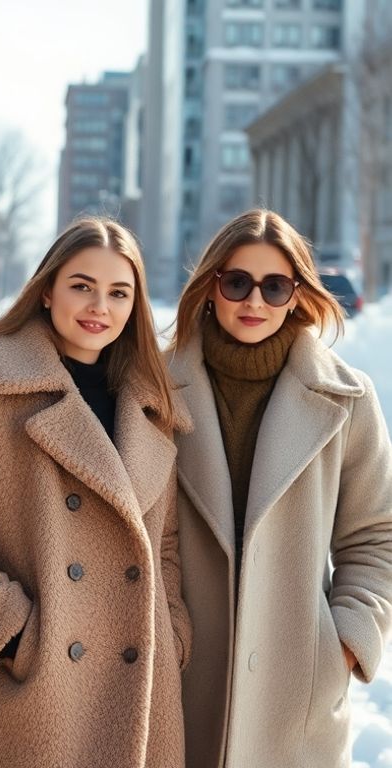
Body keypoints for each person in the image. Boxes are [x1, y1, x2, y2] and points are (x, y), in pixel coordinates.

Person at [0, 218, 191, 768]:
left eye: (118, 292)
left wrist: (169, 634)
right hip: (17, 694)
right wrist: (11, 631)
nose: (99, 305)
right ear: (48, 289)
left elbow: (163, 545)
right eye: (82, 285)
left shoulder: (153, 410)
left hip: (132, 690)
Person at [169, 210, 392, 768]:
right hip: (179, 680)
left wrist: (343, 643)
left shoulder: (348, 398)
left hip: (297, 696)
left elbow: (376, 536)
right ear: (212, 286)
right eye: (237, 281)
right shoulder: (154, 387)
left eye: (275, 286)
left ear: (297, 295)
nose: (254, 301)